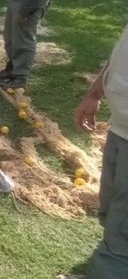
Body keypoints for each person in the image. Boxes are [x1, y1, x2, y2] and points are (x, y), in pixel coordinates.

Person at [70, 23, 128, 278]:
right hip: (120, 129)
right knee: (109, 206)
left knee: (123, 222)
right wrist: (95, 93)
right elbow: (119, 55)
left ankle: (112, 264)